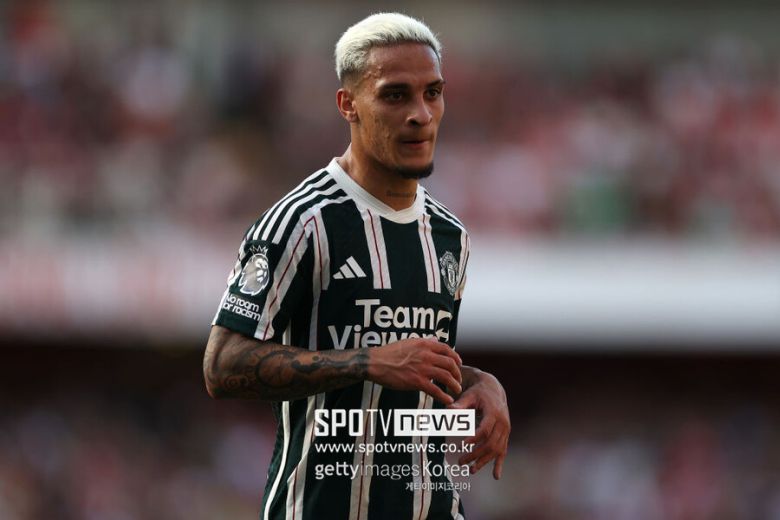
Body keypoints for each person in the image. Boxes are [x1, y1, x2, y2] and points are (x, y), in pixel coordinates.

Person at [203, 12, 510, 520]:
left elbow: (411, 384)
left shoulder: (449, 236)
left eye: (432, 93)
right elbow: (222, 365)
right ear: (349, 104)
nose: (420, 114)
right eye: (396, 95)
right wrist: (367, 362)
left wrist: (480, 384)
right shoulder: (301, 222)